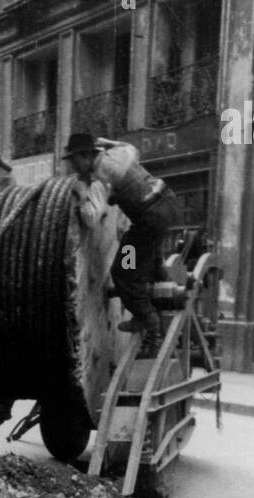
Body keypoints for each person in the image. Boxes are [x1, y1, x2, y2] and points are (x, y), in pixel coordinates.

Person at [91, 137, 180, 357]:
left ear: (87, 156)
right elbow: (132, 147)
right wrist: (106, 141)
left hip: (149, 219)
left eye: (75, 161)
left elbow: (91, 215)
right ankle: (160, 277)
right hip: (167, 204)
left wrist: (81, 196)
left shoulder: (98, 178)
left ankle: (147, 320)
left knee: (123, 272)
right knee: (142, 247)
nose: (74, 167)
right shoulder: (121, 153)